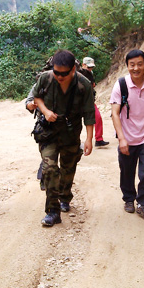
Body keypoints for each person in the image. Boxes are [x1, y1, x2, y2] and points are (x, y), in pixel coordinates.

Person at [33, 49, 95, 226]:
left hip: (71, 133)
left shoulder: (83, 85)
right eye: (56, 72)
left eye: (64, 73)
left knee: (68, 168)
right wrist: (45, 112)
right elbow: (37, 97)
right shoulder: (46, 78)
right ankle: (53, 211)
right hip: (49, 132)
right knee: (50, 168)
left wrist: (89, 139)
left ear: (72, 70)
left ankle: (65, 197)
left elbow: (89, 113)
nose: (59, 76)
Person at [109, 49, 144, 221]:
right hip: (127, 137)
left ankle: (143, 204)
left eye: (139, 64)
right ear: (127, 66)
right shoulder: (121, 85)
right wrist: (121, 138)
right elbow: (114, 112)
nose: (136, 68)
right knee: (127, 171)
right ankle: (128, 199)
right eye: (132, 65)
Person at [82, 57, 109, 147]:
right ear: (83, 65)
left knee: (98, 117)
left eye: (91, 67)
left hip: (89, 101)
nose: (90, 69)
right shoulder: (78, 74)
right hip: (79, 102)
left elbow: (92, 85)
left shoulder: (90, 74)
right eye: (88, 67)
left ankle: (99, 139)